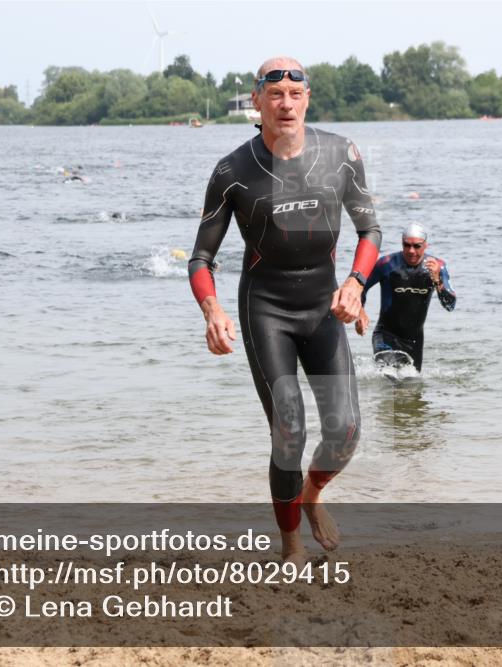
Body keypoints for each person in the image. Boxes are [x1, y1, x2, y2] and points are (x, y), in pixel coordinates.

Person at [188, 56, 380, 564]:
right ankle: (290, 542)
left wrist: (357, 285)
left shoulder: (341, 153)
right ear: (257, 101)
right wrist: (211, 311)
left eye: (295, 94)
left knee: (345, 431)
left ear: (307, 99)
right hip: (266, 307)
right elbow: (201, 258)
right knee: (289, 423)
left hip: (323, 305)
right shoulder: (232, 171)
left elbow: (369, 232)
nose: (286, 103)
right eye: (275, 95)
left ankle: (312, 496)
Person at [357, 223, 456, 372]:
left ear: (425, 245)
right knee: (390, 378)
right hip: (386, 335)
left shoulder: (437, 267)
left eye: (417, 246)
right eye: (406, 245)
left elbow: (450, 305)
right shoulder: (387, 264)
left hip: (415, 340)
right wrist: (360, 312)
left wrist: (437, 280)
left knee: (412, 389)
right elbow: (359, 288)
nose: (411, 251)